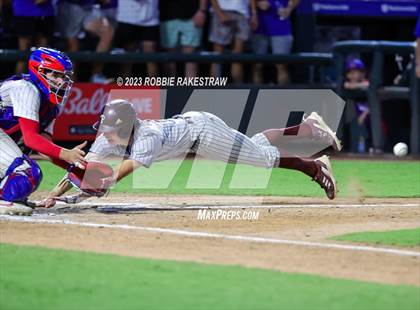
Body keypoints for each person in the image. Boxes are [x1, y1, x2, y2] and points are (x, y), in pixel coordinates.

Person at [39, 99, 342, 208]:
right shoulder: (109, 138)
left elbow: (112, 177)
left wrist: (93, 185)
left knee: (260, 158)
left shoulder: (147, 138)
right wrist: (56, 192)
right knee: (255, 146)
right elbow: (83, 166)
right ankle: (306, 129)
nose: (103, 133)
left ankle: (314, 168)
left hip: (203, 135)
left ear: (125, 126)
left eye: (109, 128)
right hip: (195, 128)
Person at [0, 47, 87, 215]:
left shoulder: (51, 104)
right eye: (55, 75)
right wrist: (67, 154)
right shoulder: (25, 88)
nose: (61, 82)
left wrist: (78, 169)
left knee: (20, 181)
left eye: (63, 76)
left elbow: (44, 146)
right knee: (27, 172)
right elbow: (31, 139)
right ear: (39, 71)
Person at [56, 0, 116, 83]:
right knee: (73, 46)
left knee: (107, 31)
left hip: (88, 7)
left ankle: (96, 75)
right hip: (70, 5)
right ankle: (71, 81)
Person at [209, 0, 258, 83]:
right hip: (223, 10)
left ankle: (238, 89)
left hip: (242, 13)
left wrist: (254, 14)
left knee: (237, 55)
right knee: (217, 55)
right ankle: (214, 87)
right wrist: (219, 13)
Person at [252, 0, 299, 85]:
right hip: (259, 26)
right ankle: (254, 96)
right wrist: (256, 5)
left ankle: (283, 97)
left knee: (281, 65)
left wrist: (289, 9)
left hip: (281, 25)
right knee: (257, 66)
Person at [159, 0, 207, 77]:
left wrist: (202, 11)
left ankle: (191, 88)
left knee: (191, 57)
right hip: (167, 15)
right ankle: (170, 88)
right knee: (169, 59)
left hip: (193, 15)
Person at [114, 0, 159, 78]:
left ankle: (154, 88)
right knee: (127, 58)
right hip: (128, 18)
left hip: (151, 19)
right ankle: (123, 88)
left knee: (151, 57)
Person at [12, 0, 55, 74]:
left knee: (42, 51)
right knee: (23, 50)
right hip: (24, 12)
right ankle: (18, 82)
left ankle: (40, 81)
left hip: (46, 12)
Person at [343, 58, 370, 153]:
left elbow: (367, 84)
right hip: (352, 119)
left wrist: (364, 114)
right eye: (350, 73)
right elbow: (346, 85)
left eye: (355, 72)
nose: (352, 75)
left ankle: (365, 149)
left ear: (362, 73)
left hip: (367, 117)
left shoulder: (367, 84)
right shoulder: (346, 85)